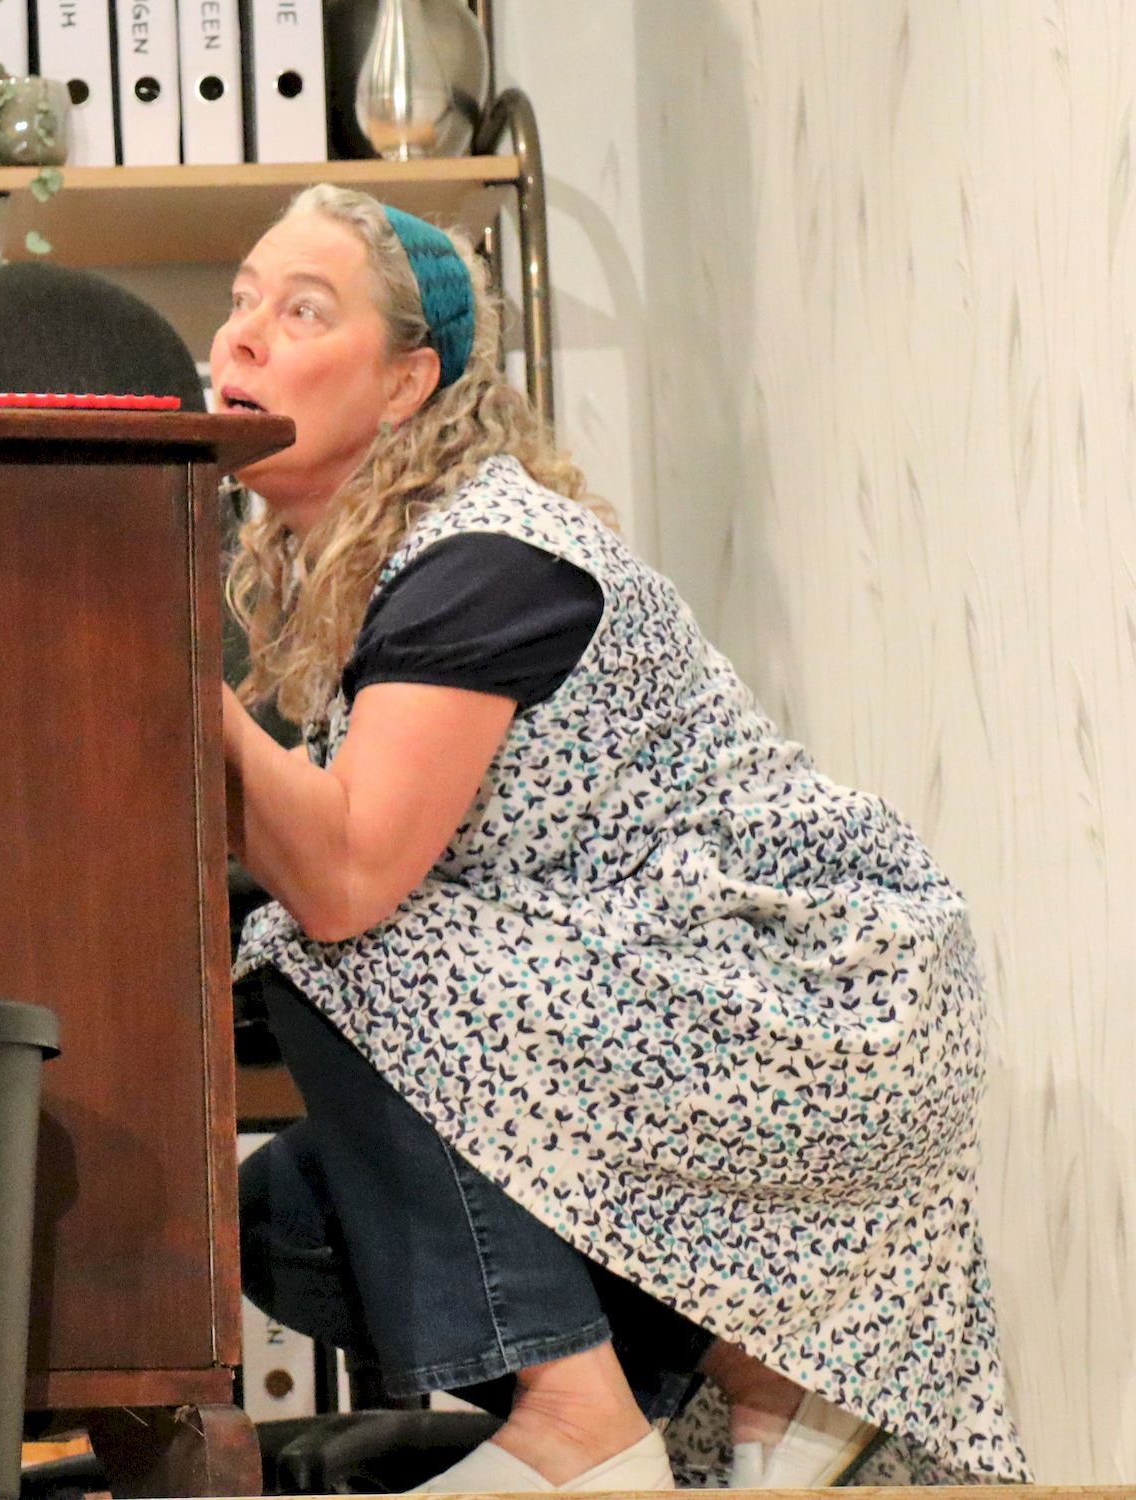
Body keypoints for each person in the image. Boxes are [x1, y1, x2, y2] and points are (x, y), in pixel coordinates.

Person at [217, 185, 1029, 1491]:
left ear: (407, 382)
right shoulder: (399, 563)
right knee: (286, 1213)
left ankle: (573, 1424)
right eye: (241, 301)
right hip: (699, 1009)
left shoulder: (481, 559)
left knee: (329, 953)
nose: (242, 335)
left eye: (302, 310)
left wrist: (145, 645)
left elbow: (348, 879)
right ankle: (757, 1357)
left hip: (813, 999)